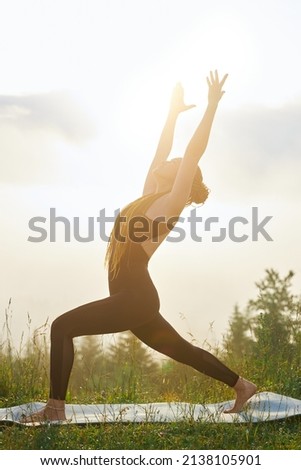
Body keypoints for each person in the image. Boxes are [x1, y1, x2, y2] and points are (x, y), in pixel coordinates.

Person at [22, 70, 256, 423]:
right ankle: (241, 385)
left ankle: (55, 409)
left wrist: (210, 107)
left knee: (61, 327)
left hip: (135, 299)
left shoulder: (170, 203)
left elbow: (192, 153)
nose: (171, 161)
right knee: (183, 351)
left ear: (184, 179)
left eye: (178, 165)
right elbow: (160, 152)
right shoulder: (150, 198)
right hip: (136, 300)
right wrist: (172, 114)